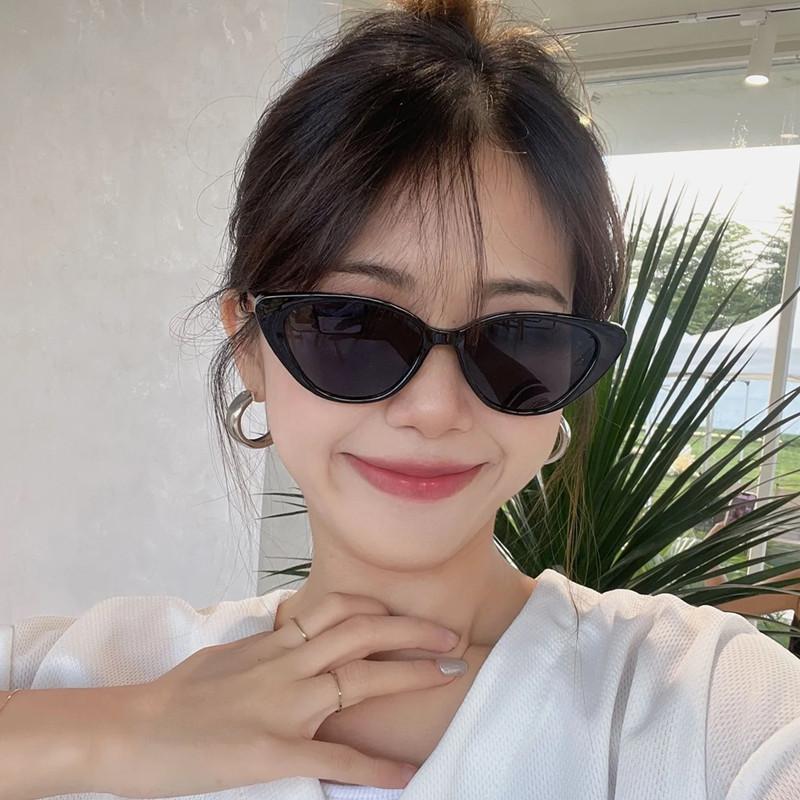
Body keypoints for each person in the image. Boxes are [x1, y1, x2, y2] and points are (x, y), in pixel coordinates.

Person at [2, 1, 800, 798]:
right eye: (353, 325)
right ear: (251, 347)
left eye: (516, 339)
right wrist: (120, 730)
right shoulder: (88, 672)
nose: (434, 408)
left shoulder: (707, 707)